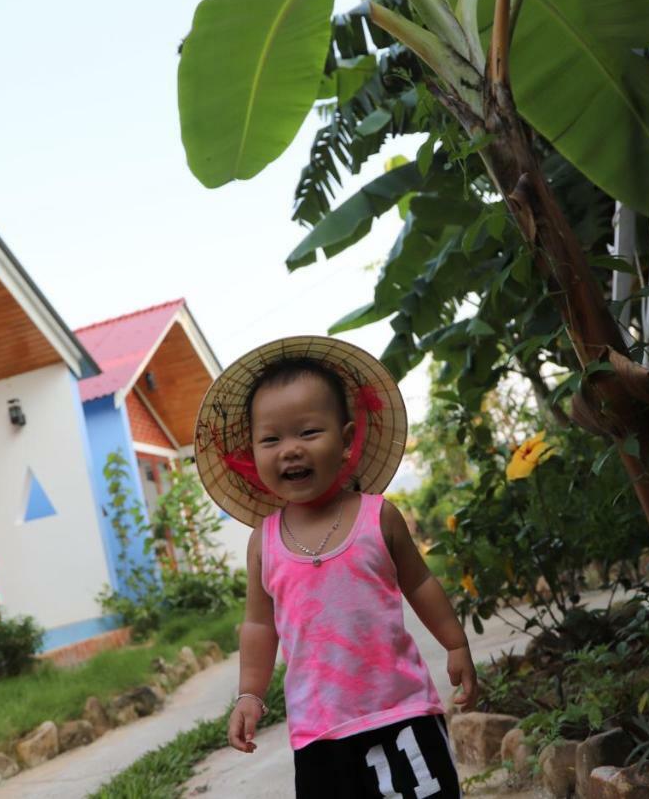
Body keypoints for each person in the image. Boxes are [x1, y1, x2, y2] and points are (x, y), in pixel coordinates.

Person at [193, 336, 477, 798]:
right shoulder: (263, 544)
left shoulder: (377, 517)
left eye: (308, 433)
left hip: (400, 713)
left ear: (346, 441)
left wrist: (456, 643)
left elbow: (420, 582)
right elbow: (259, 626)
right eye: (271, 439)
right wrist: (250, 694)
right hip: (319, 732)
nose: (290, 449)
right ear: (254, 453)